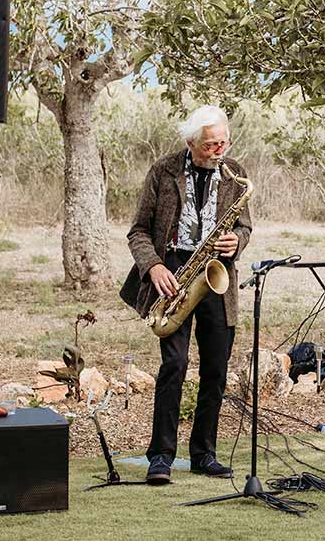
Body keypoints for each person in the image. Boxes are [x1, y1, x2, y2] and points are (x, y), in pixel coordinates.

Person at [120, 105, 252, 484]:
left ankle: (204, 454)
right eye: (211, 144)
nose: (219, 150)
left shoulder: (236, 173)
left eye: (224, 142)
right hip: (174, 274)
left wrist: (236, 241)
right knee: (174, 366)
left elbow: (245, 227)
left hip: (216, 275)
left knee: (216, 369)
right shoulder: (163, 170)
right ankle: (161, 455)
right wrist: (155, 267)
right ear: (191, 142)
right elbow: (138, 231)